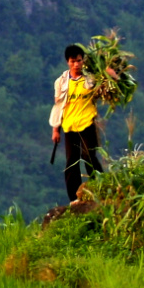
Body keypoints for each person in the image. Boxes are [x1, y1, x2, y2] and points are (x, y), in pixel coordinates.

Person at [49, 44, 102, 204]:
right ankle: (75, 198)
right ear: (68, 62)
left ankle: (99, 186)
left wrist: (110, 75)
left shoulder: (91, 78)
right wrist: (55, 130)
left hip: (87, 123)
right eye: (73, 61)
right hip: (69, 125)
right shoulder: (61, 82)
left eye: (79, 61)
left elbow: (105, 88)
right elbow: (58, 107)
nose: (76, 65)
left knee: (88, 156)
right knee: (71, 161)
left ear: (83, 61)